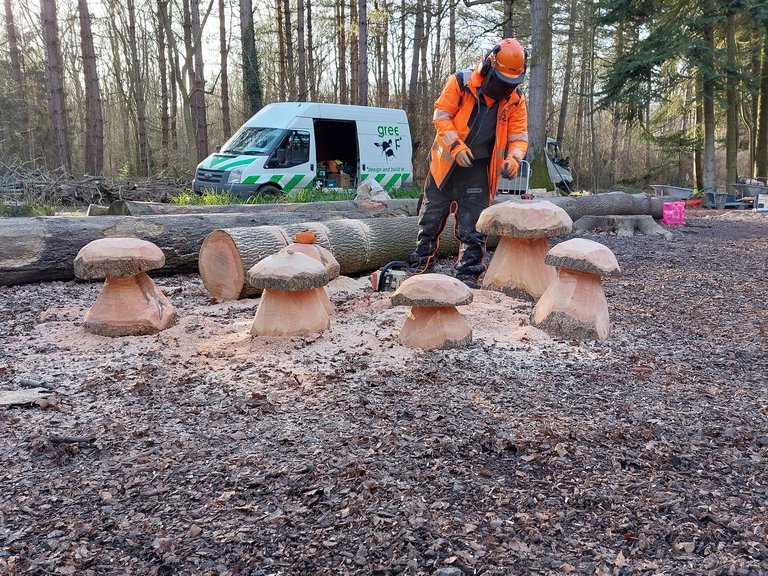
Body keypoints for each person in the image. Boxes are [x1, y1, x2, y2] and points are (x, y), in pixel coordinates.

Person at [410, 38, 529, 287]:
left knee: (474, 226)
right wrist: (456, 146)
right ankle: (421, 267)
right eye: (500, 81)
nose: (504, 89)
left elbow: (519, 136)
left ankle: (468, 274)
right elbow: (441, 116)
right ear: (488, 65)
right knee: (430, 219)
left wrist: (514, 158)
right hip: (445, 167)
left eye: (510, 84)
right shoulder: (460, 83)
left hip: (479, 169)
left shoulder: (515, 100)